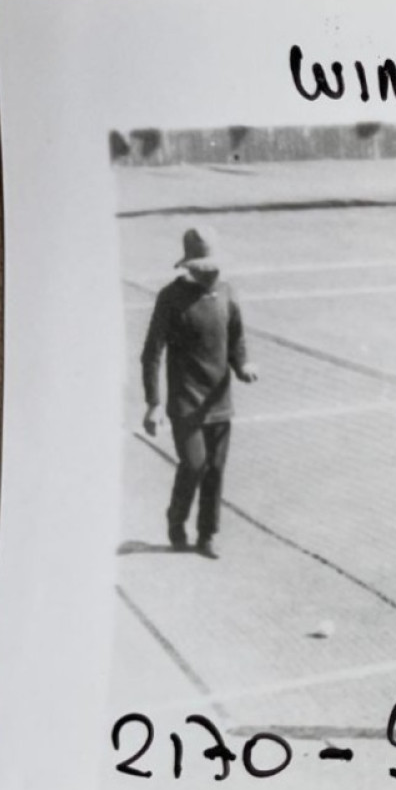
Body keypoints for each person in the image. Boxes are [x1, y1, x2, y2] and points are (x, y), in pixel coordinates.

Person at [141, 226, 259, 559]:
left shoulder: (227, 293)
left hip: (219, 401)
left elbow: (235, 338)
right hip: (186, 402)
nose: (213, 273)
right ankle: (176, 521)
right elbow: (152, 352)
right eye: (206, 267)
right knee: (194, 464)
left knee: (215, 470)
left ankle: (207, 534)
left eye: (216, 266)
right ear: (191, 267)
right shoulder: (171, 298)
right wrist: (153, 403)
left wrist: (243, 365)